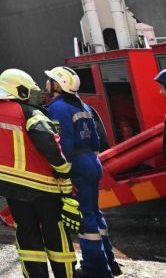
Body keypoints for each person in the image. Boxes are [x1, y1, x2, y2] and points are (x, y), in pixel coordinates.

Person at [0, 68, 78, 278]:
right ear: (19, 90)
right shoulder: (31, 114)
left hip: (9, 186)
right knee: (56, 235)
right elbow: (50, 147)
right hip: (42, 187)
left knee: (27, 236)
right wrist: (64, 172)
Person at [45, 65, 121, 278]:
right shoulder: (84, 107)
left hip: (77, 164)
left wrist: (63, 171)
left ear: (58, 85)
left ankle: (95, 268)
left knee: (83, 215)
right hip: (91, 161)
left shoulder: (57, 108)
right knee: (95, 212)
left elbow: (63, 144)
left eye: (50, 79)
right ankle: (109, 263)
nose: (47, 83)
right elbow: (97, 139)